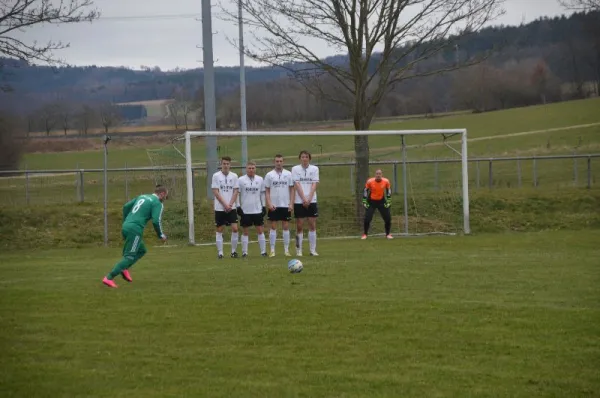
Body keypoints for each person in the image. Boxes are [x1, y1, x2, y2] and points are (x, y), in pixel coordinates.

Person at [102, 185, 168, 288]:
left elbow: (125, 207)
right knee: (129, 256)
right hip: (135, 229)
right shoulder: (157, 203)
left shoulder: (142, 196)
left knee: (142, 250)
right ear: (162, 194)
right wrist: (161, 235)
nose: (165, 199)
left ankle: (124, 268)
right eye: (165, 196)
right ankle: (109, 277)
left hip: (126, 225)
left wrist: (126, 221)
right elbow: (156, 221)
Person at [264, 154, 294, 257]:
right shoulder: (269, 175)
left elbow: (291, 190)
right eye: (277, 161)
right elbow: (267, 191)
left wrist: (291, 203)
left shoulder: (289, 174)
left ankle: (286, 250)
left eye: (281, 161)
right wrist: (269, 203)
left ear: (283, 162)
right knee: (273, 227)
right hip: (274, 205)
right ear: (274, 162)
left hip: (285, 204)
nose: (279, 163)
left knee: (286, 226)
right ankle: (272, 250)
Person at [291, 150, 319, 256]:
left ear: (309, 158)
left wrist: (309, 199)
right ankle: (299, 250)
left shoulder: (315, 169)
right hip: (299, 201)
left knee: (312, 225)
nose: (304, 159)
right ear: (300, 158)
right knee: (299, 226)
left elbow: (314, 184)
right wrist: (303, 199)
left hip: (312, 200)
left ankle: (313, 250)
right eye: (302, 157)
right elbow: (297, 184)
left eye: (306, 157)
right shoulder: (295, 169)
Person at [211, 156, 240, 259]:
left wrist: (230, 205)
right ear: (221, 164)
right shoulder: (216, 176)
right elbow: (215, 191)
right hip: (220, 207)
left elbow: (236, 191)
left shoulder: (234, 176)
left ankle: (233, 252)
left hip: (231, 207)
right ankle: (220, 253)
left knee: (235, 229)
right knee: (220, 229)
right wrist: (225, 204)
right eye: (224, 163)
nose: (226, 165)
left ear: (230, 165)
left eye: (228, 164)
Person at [237, 161, 267, 257]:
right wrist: (238, 206)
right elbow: (237, 194)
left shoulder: (260, 179)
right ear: (246, 169)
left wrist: (264, 206)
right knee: (245, 231)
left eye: (253, 168)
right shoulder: (241, 180)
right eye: (249, 168)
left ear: (255, 169)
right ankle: (245, 252)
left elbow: (262, 193)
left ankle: (263, 252)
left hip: (257, 210)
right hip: (245, 211)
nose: (251, 170)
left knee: (260, 230)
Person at [362, 169, 393, 240]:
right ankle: (365, 234)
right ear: (375, 175)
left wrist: (388, 201)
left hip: (381, 202)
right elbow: (365, 191)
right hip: (371, 202)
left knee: (388, 218)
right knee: (367, 218)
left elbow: (388, 191)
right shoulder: (370, 181)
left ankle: (388, 234)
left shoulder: (386, 181)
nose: (378, 175)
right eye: (377, 174)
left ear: (382, 175)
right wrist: (364, 201)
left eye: (379, 174)